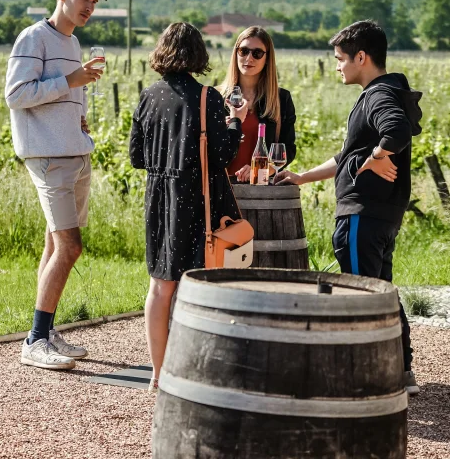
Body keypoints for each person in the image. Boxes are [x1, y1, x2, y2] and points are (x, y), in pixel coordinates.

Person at [275, 20, 422, 396]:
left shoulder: (377, 95)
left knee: (358, 295)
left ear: (362, 57)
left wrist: (377, 155)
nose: (337, 65)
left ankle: (368, 379)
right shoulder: (387, 90)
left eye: (341, 59)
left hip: (361, 213)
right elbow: (348, 155)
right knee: (380, 292)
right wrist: (302, 177)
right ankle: (400, 369)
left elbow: (397, 130)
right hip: (381, 215)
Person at [130, 22, 248, 392]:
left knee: (159, 286)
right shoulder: (208, 98)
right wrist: (235, 123)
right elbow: (223, 155)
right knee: (199, 286)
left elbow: (136, 157)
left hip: (159, 200)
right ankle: (197, 371)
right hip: (197, 200)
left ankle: (157, 373)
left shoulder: (148, 96)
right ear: (198, 54)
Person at [5, 0, 110, 370]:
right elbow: (16, 95)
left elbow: (70, 90)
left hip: (74, 152)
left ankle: (46, 332)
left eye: (95, 3)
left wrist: (80, 117)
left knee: (54, 245)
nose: (90, 8)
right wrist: (72, 80)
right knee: (71, 246)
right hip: (48, 156)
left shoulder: (73, 41)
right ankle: (34, 339)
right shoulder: (34, 37)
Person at [219, 26, 296, 182]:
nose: (249, 58)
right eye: (244, 51)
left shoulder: (281, 98)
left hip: (261, 188)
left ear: (267, 59)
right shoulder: (216, 97)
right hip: (221, 189)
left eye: (257, 53)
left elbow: (288, 148)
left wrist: (262, 168)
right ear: (235, 53)